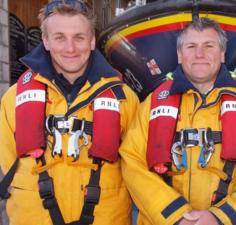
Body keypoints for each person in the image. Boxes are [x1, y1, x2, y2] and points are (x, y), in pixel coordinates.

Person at [120, 18, 236, 225]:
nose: (199, 54)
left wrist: (221, 217)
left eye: (208, 46)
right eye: (191, 46)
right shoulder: (151, 105)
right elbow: (132, 162)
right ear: (179, 54)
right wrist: (175, 215)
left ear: (222, 54)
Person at [0, 1, 138, 224]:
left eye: (79, 37)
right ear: (45, 41)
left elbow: (136, 166)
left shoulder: (124, 98)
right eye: (59, 37)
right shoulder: (13, 98)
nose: (70, 48)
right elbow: (7, 160)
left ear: (92, 41)